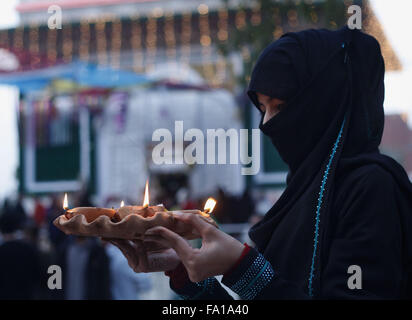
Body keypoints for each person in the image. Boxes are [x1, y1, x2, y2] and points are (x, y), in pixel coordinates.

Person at [110, 27, 412, 299]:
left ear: (322, 103)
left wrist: (241, 265)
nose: (267, 124)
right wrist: (185, 269)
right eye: (263, 108)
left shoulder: (371, 188)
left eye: (280, 106)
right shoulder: (302, 195)